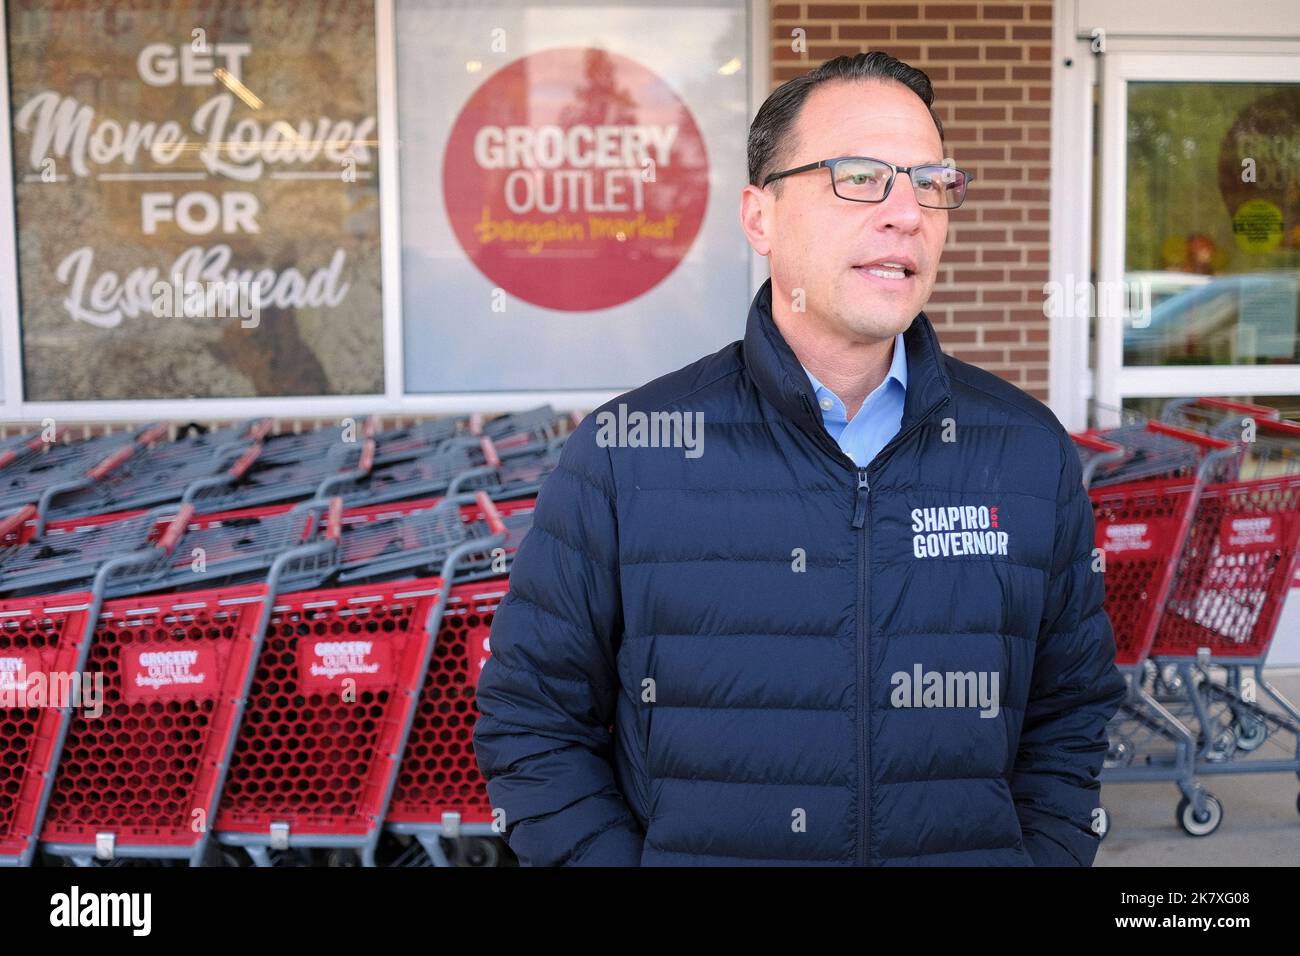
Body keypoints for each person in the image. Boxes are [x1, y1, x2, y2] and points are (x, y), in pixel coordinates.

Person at [473, 51, 1126, 866]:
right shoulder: (626, 456)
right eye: (859, 176)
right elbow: (532, 722)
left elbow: (1070, 715)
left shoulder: (1028, 454)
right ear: (760, 217)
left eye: (930, 181)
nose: (906, 212)